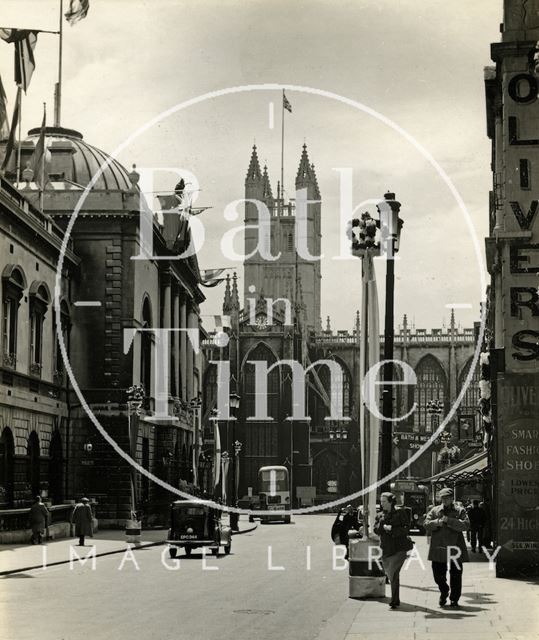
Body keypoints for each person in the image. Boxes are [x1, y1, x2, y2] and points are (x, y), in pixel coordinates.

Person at [425, 487, 469, 608]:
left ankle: (454, 599)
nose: (444, 500)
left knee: (456, 574)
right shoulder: (434, 510)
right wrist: (436, 523)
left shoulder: (460, 510)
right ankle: (444, 590)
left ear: (452, 499)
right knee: (437, 574)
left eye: (447, 498)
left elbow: (465, 525)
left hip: (455, 546)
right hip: (439, 546)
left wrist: (449, 520)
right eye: (442, 498)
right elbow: (426, 524)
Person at [373, 492, 412, 609]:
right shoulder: (379, 515)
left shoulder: (400, 513)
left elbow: (406, 528)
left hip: (399, 549)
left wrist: (392, 530)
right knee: (392, 575)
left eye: (384, 501)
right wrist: (382, 524)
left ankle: (394, 601)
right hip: (386, 549)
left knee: (393, 573)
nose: (381, 503)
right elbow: (376, 530)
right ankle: (396, 599)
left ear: (391, 502)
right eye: (381, 501)